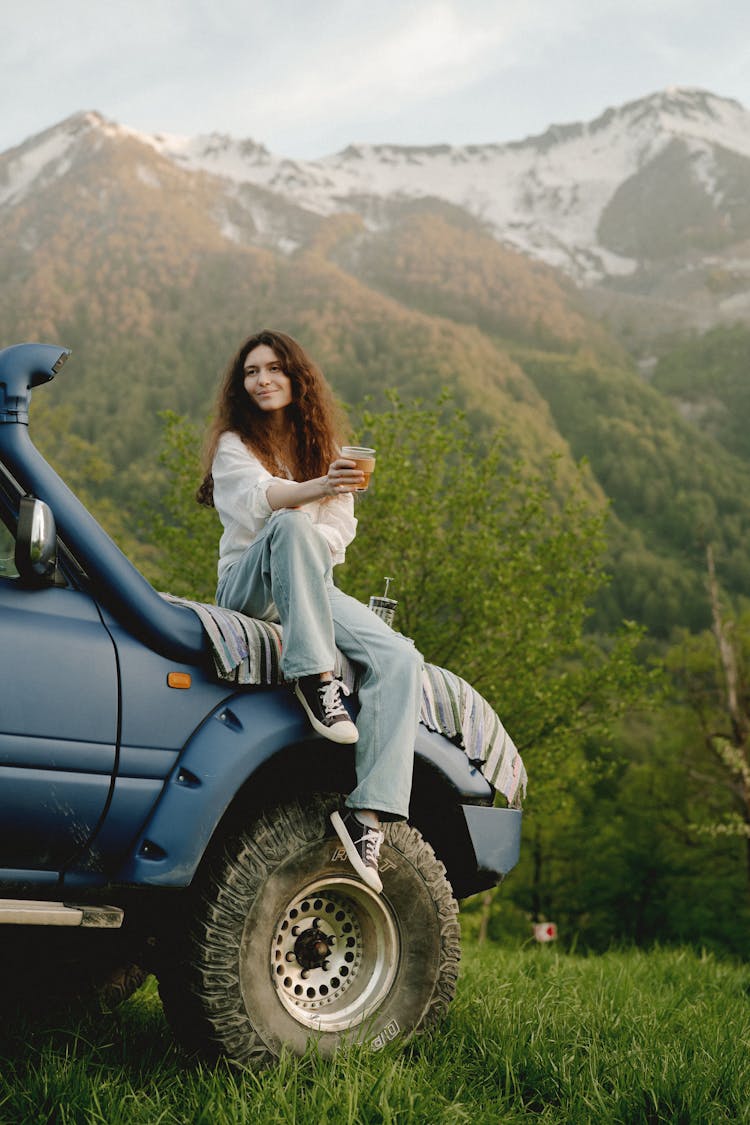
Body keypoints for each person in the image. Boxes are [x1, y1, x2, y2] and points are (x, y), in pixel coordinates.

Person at [197, 329, 423, 893]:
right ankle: (315, 677)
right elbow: (259, 503)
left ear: (298, 379)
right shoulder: (233, 443)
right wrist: (316, 488)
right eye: (251, 371)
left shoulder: (326, 448)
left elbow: (337, 533)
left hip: (310, 586)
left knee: (399, 657)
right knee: (290, 522)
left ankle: (367, 816)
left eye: (275, 369)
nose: (263, 379)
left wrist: (316, 517)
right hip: (248, 585)